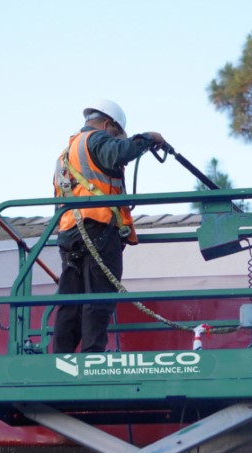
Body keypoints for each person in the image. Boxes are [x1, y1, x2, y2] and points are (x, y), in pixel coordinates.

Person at [51, 99, 166, 353]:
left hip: (70, 233)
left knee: (71, 301)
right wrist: (149, 138)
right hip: (98, 228)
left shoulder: (64, 155)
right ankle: (92, 355)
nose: (115, 139)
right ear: (106, 124)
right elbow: (121, 151)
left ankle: (59, 357)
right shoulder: (96, 139)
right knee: (99, 296)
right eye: (116, 133)